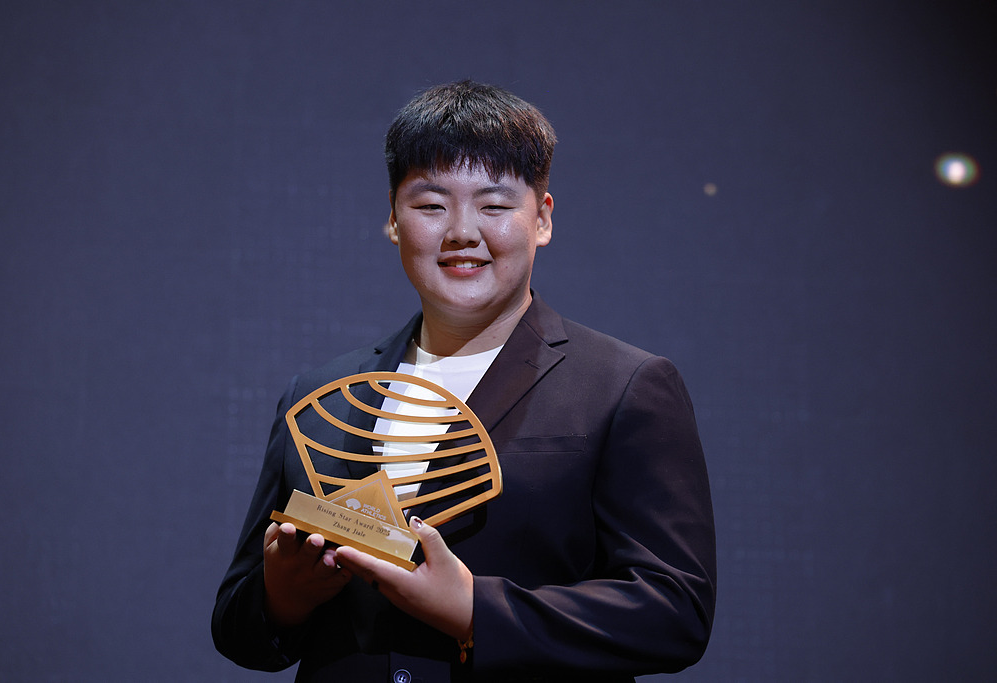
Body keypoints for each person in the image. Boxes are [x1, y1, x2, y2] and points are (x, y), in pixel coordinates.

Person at [212, 80, 716, 683]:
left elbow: (674, 611)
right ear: (393, 219)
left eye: (494, 206)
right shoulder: (320, 397)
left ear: (542, 219)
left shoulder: (625, 385)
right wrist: (283, 597)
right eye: (431, 205)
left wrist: (477, 609)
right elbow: (238, 627)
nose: (461, 231)